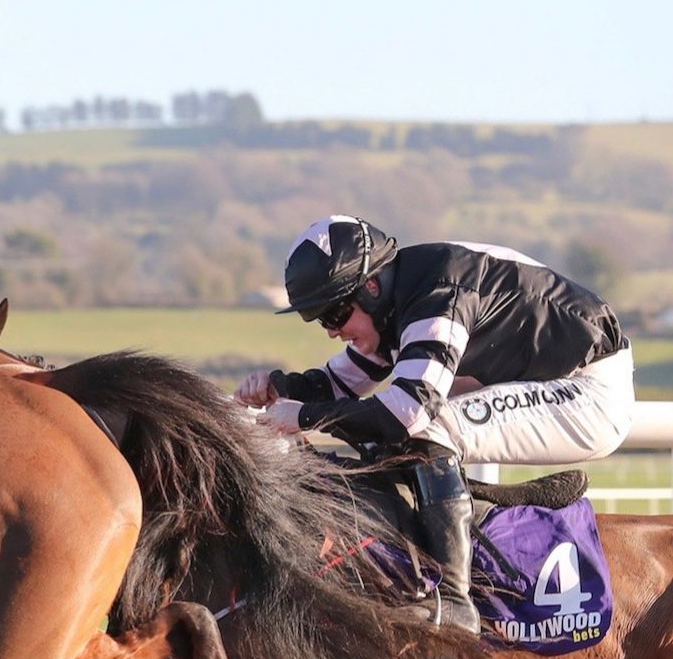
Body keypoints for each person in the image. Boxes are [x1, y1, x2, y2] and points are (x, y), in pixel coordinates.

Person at [234, 214, 634, 634]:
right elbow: (337, 385)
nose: (332, 331)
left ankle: (456, 601)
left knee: (426, 429)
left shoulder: (436, 297)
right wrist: (277, 389)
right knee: (390, 442)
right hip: (551, 377)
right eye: (320, 320)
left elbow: (409, 410)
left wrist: (301, 417)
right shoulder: (397, 303)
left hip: (587, 390)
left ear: (371, 287)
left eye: (335, 314)